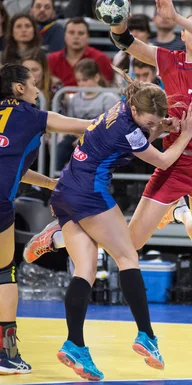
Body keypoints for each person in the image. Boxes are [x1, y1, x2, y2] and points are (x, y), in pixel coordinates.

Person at [25, 0, 192, 265]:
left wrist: (175, 15)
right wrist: (117, 21)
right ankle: (55, 237)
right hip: (178, 162)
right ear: (183, 36)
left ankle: (178, 212)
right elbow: (126, 42)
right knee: (130, 244)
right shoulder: (169, 60)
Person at [48, 68, 192, 381]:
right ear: (135, 112)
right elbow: (163, 161)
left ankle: (74, 343)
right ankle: (147, 335)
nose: (153, 127)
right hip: (90, 193)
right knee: (128, 256)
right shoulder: (129, 129)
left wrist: (161, 125)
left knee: (86, 270)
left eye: (156, 121)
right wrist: (185, 133)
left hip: (65, 190)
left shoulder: (125, 105)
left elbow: (146, 128)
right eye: (149, 123)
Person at [0, 63, 93, 374]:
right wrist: (129, 116)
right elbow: (85, 126)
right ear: (19, 89)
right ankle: (6, 354)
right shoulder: (31, 116)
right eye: (34, 83)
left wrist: (51, 184)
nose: (38, 90)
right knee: (3, 272)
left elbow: (13, 166)